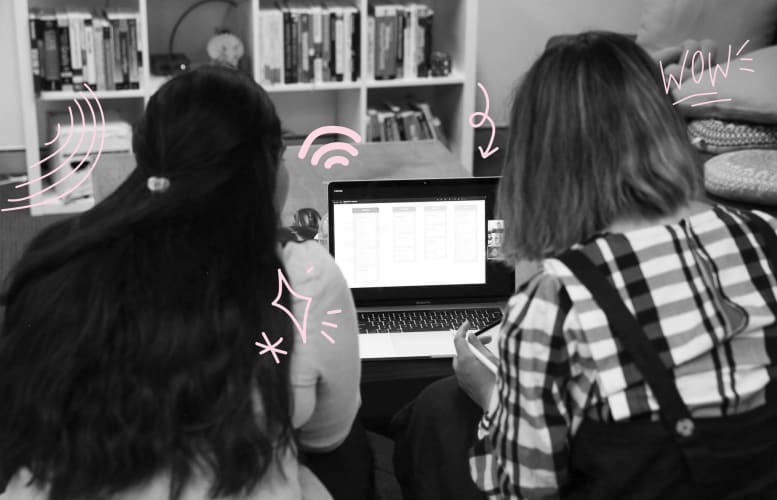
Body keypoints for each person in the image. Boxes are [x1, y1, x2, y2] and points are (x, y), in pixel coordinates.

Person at [392, 31, 777, 499]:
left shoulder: (556, 300)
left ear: (539, 159)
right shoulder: (763, 234)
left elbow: (523, 490)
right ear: (665, 126)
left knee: (437, 413)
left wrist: (490, 393)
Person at [0, 65, 367, 500]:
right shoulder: (302, 275)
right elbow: (329, 436)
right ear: (264, 168)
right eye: (281, 156)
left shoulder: (58, 255)